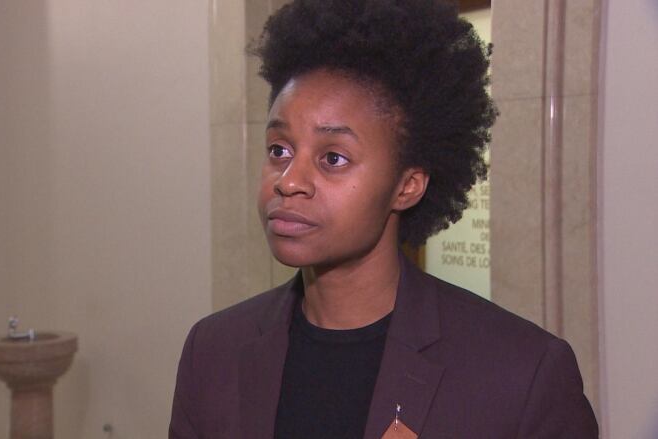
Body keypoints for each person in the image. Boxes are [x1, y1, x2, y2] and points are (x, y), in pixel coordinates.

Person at [170, 0, 598, 437]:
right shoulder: (213, 352)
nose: (289, 181)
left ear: (407, 185)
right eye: (279, 150)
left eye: (333, 157)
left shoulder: (522, 374)